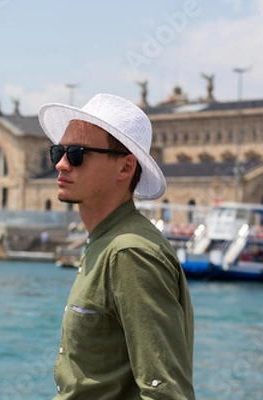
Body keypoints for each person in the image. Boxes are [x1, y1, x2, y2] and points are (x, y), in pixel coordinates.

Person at [38, 93, 195, 399]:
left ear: (124, 168)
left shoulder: (130, 254)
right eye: (58, 150)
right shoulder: (107, 243)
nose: (61, 163)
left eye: (77, 153)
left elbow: (165, 392)